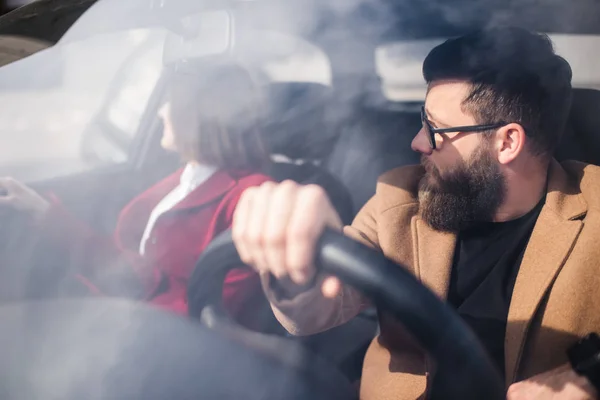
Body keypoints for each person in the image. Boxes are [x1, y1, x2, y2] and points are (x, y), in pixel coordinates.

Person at [232, 27, 600, 399]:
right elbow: (318, 309)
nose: (418, 142)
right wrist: (300, 261)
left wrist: (591, 375)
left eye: (435, 129)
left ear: (507, 142)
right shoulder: (401, 197)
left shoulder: (595, 207)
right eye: (422, 122)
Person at [0, 61, 273, 323]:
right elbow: (135, 271)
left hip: (168, 342)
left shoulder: (252, 196)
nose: (161, 111)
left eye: (171, 103)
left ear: (199, 115)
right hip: (126, 320)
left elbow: (215, 309)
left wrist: (114, 318)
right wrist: (45, 213)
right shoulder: (188, 176)